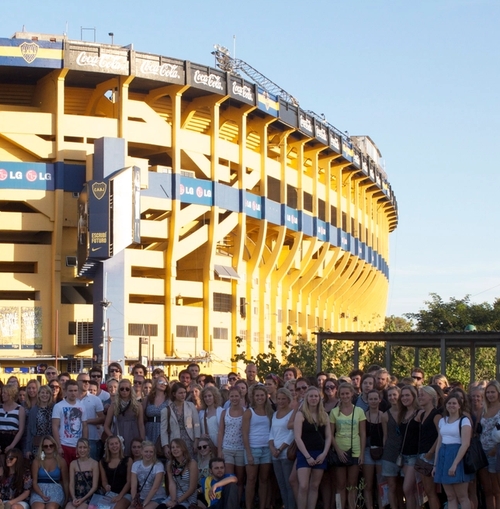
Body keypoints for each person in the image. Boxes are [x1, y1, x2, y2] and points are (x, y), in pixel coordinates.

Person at [293, 386, 331, 509]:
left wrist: (324, 454)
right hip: (304, 453)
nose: (314, 398)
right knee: (303, 486)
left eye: (316, 396)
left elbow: (328, 436)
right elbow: (297, 437)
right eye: (311, 396)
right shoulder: (301, 414)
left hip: (320, 453)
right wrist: (307, 456)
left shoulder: (324, 415)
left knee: (315, 486)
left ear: (319, 398)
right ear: (306, 398)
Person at [433, 394, 473, 509]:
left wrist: (455, 464)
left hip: (457, 456)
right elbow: (439, 443)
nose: (451, 405)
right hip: (443, 456)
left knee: (462, 496)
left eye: (454, 403)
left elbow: (465, 444)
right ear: (445, 405)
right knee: (450, 496)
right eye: (449, 403)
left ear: (459, 405)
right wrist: (436, 465)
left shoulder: (464, 421)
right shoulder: (442, 421)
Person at [330, 382, 366, 509]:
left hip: (355, 450)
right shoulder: (334, 412)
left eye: (347, 393)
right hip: (339, 449)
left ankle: (352, 506)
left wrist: (362, 453)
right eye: (342, 394)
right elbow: (331, 434)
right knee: (340, 484)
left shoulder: (359, 411)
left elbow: (362, 433)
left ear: (352, 394)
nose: (345, 396)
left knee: (352, 484)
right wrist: (338, 451)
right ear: (339, 395)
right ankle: (340, 507)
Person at [242, 384, 273, 509]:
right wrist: (248, 453)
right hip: (253, 449)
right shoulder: (249, 412)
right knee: (251, 480)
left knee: (264, 480)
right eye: (257, 395)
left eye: (262, 395)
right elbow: (244, 433)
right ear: (253, 397)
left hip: (267, 449)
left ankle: (262, 506)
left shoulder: (270, 411)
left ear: (266, 396)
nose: (260, 398)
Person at [104, 379, 145, 456]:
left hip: (134, 433)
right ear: (118, 390)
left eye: (127, 389)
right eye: (122, 389)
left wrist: (142, 441)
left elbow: (141, 425)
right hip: (119, 433)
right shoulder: (114, 405)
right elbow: (106, 426)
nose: (124, 391)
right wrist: (113, 438)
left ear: (131, 390)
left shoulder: (137, 405)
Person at [217, 387, 245, 499]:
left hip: (241, 449)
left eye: (236, 396)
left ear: (240, 396)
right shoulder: (225, 412)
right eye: (232, 396)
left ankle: (238, 503)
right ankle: (230, 503)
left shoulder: (245, 411)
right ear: (229, 397)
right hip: (227, 448)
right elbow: (220, 432)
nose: (234, 398)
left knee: (240, 479)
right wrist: (220, 450)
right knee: (229, 478)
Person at [269, 388, 295, 509]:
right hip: (275, 454)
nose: (280, 401)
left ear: (288, 399)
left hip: (286, 454)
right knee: (281, 484)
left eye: (283, 399)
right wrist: (272, 448)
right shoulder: (275, 414)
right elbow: (272, 433)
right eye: (279, 399)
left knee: (289, 484)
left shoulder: (292, 413)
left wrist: (280, 449)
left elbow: (292, 434)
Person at [52, 380, 88, 466]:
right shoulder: (58, 406)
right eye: (70, 391)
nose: (73, 393)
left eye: (75, 390)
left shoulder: (82, 406)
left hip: (78, 446)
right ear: (65, 391)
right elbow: (54, 427)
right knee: (64, 473)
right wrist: (59, 446)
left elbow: (85, 426)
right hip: (64, 445)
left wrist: (85, 444)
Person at [416, 386, 441, 509]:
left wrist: (431, 452)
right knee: (425, 490)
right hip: (422, 453)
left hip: (430, 455)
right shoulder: (423, 414)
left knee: (431, 491)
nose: (419, 397)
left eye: (422, 395)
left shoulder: (436, 414)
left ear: (431, 397)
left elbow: (441, 434)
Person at [160, 382, 200, 460]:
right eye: (180, 393)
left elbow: (196, 424)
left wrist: (196, 441)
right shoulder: (166, 410)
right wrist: (165, 446)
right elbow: (163, 430)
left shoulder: (190, 406)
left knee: (191, 462)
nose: (183, 395)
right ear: (174, 394)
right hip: (175, 441)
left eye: (184, 392)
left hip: (189, 440)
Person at [380, 385, 404, 509]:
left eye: (394, 395)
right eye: (390, 395)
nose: (392, 397)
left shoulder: (407, 412)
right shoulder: (385, 415)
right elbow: (385, 435)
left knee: (404, 486)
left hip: (405, 451)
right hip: (390, 452)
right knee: (392, 485)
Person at [30, 435, 68, 509]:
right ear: (42, 448)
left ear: (54, 446)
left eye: (51, 445)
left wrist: (66, 498)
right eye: (46, 446)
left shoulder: (61, 461)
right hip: (39, 489)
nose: (49, 447)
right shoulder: (37, 461)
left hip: (55, 489)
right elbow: (34, 482)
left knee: (51, 508)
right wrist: (41, 494)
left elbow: (66, 482)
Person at [398, 385, 420, 509]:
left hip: (414, 456)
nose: (404, 398)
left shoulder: (419, 413)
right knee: (412, 491)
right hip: (403, 456)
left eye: (407, 395)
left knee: (407, 489)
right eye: (403, 395)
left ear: (414, 396)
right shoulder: (403, 413)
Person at [479, 380, 500, 509]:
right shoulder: (484, 409)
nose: (490, 395)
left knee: (496, 490)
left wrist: (496, 448)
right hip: (482, 452)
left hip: (495, 452)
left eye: (493, 392)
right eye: (488, 392)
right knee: (487, 489)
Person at [363, 389, 384, 509]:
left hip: (381, 451)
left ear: (380, 400)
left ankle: (382, 506)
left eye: (376, 399)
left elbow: (386, 435)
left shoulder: (384, 416)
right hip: (367, 451)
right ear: (367, 400)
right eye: (371, 399)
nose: (373, 401)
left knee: (381, 483)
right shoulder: (363, 416)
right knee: (368, 485)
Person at [99, 435, 133, 509]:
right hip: (110, 493)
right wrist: (106, 486)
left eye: (116, 443)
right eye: (111, 444)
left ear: (120, 445)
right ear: (108, 446)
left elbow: (129, 482)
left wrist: (119, 496)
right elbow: (104, 480)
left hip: (125, 493)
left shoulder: (128, 460)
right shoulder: (102, 462)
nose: (114, 446)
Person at [130, 440, 166, 509]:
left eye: (151, 452)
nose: (148, 454)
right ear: (141, 452)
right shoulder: (135, 465)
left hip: (157, 497)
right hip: (141, 497)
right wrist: (134, 500)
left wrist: (143, 504)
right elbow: (133, 486)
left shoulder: (158, 466)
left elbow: (155, 488)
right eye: (146, 451)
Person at [77, 373, 104, 461]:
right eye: (84, 381)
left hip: (91, 439)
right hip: (73, 439)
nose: (87, 383)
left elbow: (102, 418)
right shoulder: (70, 399)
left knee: (92, 466)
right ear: (77, 382)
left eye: (88, 381)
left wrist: (87, 421)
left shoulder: (95, 399)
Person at [66, 438, 99, 509]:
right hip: (76, 496)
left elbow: (94, 486)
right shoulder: (73, 464)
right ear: (77, 449)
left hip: (89, 496)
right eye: (80, 447)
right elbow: (71, 484)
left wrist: (83, 499)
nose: (82, 450)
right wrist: (74, 498)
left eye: (84, 447)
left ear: (88, 449)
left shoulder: (94, 463)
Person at [165, 438, 198, 508]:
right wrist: (173, 501)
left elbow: (192, 488)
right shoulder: (169, 464)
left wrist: (177, 501)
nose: (175, 449)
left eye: (178, 447)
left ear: (183, 448)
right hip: (174, 496)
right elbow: (171, 484)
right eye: (172, 447)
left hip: (188, 498)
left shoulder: (192, 463)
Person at [25, 385, 54, 459]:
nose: (45, 395)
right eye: (42, 393)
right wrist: (28, 449)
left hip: (51, 444)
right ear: (38, 395)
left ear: (50, 395)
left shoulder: (54, 408)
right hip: (37, 444)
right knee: (39, 465)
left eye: (47, 393)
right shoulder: (33, 410)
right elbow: (29, 430)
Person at [0, 384, 26, 457]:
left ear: (11, 394)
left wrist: (12, 446)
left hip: (13, 439)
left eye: (5, 393)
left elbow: (21, 430)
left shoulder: (20, 409)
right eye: (2, 392)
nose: (2, 395)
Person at [143, 376, 170, 446]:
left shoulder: (169, 400)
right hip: (149, 428)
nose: (163, 384)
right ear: (155, 384)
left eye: (165, 383)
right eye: (160, 381)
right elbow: (142, 416)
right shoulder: (148, 399)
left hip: (163, 428)